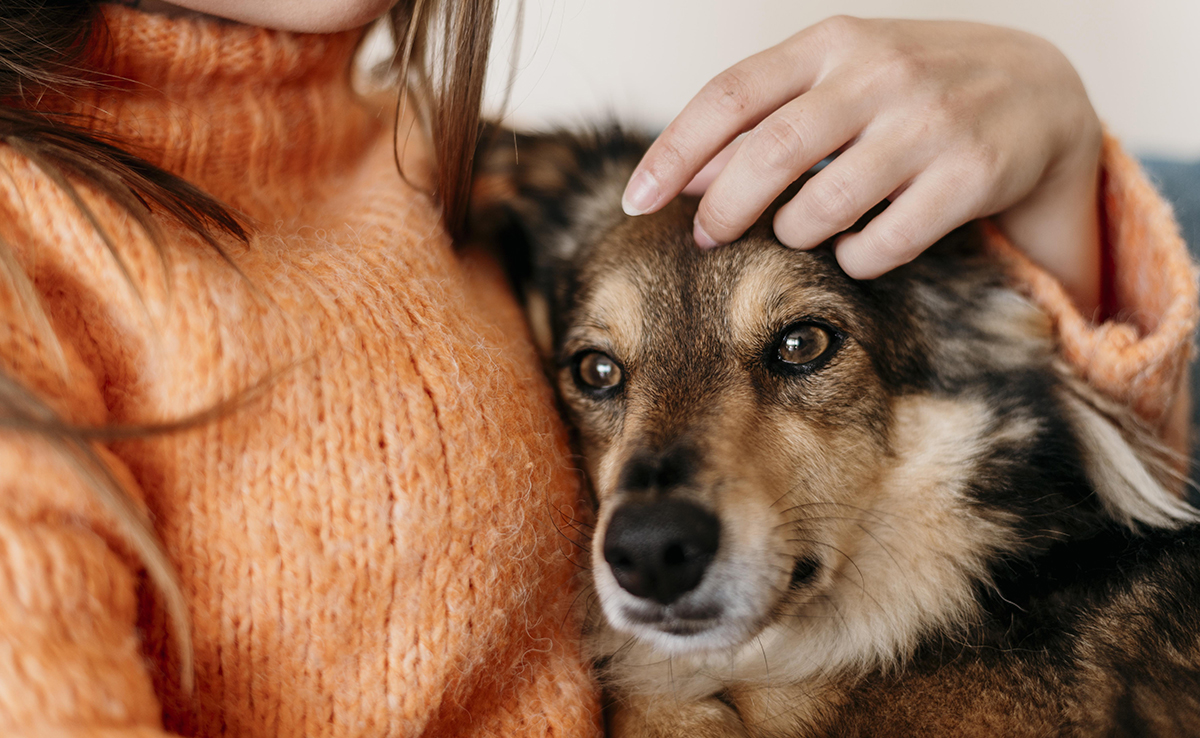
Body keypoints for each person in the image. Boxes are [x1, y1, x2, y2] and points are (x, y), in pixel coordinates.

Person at [0, 3, 1192, 738]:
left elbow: (1076, 495)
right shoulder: (28, 249)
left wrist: (1052, 157)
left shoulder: (479, 184)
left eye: (797, 347)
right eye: (598, 374)